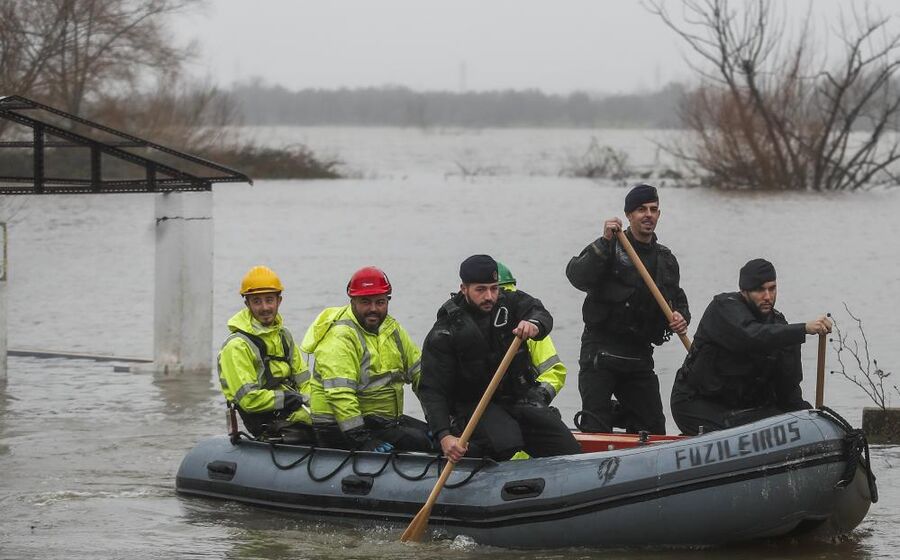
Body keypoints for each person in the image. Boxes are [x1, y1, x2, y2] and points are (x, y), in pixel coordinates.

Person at [419, 254, 581, 462]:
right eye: (480, 289)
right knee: (506, 444)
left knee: (568, 448)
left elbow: (539, 312)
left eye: (493, 288)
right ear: (464, 288)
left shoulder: (510, 303)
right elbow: (432, 389)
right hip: (473, 407)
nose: (489, 296)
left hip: (516, 400)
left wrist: (534, 324)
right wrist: (444, 435)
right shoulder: (446, 332)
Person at [566, 183, 690, 435]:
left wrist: (680, 318)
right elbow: (577, 276)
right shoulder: (610, 246)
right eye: (641, 210)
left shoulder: (666, 259)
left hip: (639, 357)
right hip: (600, 353)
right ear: (629, 215)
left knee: (654, 428)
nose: (648, 215)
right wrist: (604, 241)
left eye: (654, 209)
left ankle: (626, 416)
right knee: (596, 427)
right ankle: (598, 421)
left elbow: (676, 300)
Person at [670, 258, 832, 435]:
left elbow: (788, 390)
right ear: (744, 291)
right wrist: (803, 329)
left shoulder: (781, 328)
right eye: (760, 290)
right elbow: (750, 335)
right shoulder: (724, 309)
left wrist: (811, 419)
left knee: (795, 419)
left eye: (772, 288)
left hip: (743, 408)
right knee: (739, 431)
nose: (768, 297)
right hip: (696, 402)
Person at [300, 266, 432, 452]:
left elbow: (421, 375)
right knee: (424, 443)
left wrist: (439, 421)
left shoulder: (392, 329)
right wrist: (361, 439)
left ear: (388, 300)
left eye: (380, 302)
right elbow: (340, 395)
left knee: (432, 436)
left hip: (380, 421)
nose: (373, 309)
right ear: (352, 301)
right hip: (340, 427)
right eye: (365, 302)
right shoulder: (340, 337)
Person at [217, 265, 313, 442]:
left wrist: (312, 406)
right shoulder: (237, 346)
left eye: (269, 300)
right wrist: (288, 399)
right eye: (257, 301)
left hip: (293, 409)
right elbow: (248, 399)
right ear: (247, 304)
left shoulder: (284, 336)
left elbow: (305, 380)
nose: (265, 307)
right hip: (266, 421)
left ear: (279, 301)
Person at [497, 261, 566, 405]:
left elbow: (554, 372)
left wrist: (539, 397)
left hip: (523, 401)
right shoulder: (466, 322)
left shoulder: (529, 327)